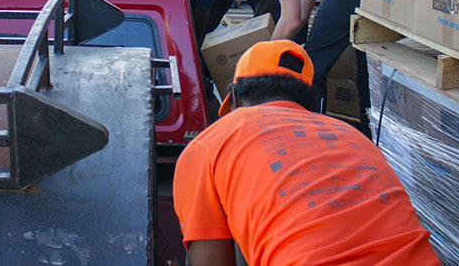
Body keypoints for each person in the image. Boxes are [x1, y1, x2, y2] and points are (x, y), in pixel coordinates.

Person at [173, 40, 442, 266]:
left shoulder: (210, 143)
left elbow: (210, 260)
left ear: (237, 99)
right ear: (307, 102)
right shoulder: (354, 137)